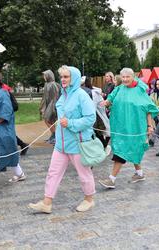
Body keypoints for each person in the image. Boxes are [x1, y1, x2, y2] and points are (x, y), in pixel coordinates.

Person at [29, 65, 96, 213]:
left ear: (74, 78)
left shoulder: (81, 95)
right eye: (62, 77)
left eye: (66, 77)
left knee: (84, 173)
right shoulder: (64, 94)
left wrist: (71, 123)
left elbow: (91, 118)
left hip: (78, 143)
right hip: (61, 144)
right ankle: (47, 203)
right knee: (53, 172)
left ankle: (89, 200)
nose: (63, 79)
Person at [98, 68, 159, 189]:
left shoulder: (140, 91)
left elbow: (148, 109)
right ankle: (140, 174)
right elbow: (111, 98)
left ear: (133, 77)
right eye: (123, 77)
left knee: (122, 150)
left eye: (128, 77)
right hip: (121, 126)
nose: (125, 79)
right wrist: (106, 102)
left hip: (136, 128)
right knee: (133, 149)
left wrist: (149, 125)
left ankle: (112, 179)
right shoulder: (119, 89)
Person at [84, 76, 110, 149]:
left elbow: (94, 105)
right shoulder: (91, 91)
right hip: (95, 114)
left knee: (99, 132)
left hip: (97, 114)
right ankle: (103, 146)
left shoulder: (93, 92)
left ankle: (104, 146)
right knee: (98, 132)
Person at [40, 70, 60, 144]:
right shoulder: (47, 84)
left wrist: (52, 107)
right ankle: (53, 135)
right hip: (48, 105)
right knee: (49, 120)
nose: (44, 77)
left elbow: (55, 97)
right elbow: (45, 97)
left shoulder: (53, 84)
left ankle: (55, 135)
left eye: (45, 75)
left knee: (47, 119)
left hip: (52, 105)